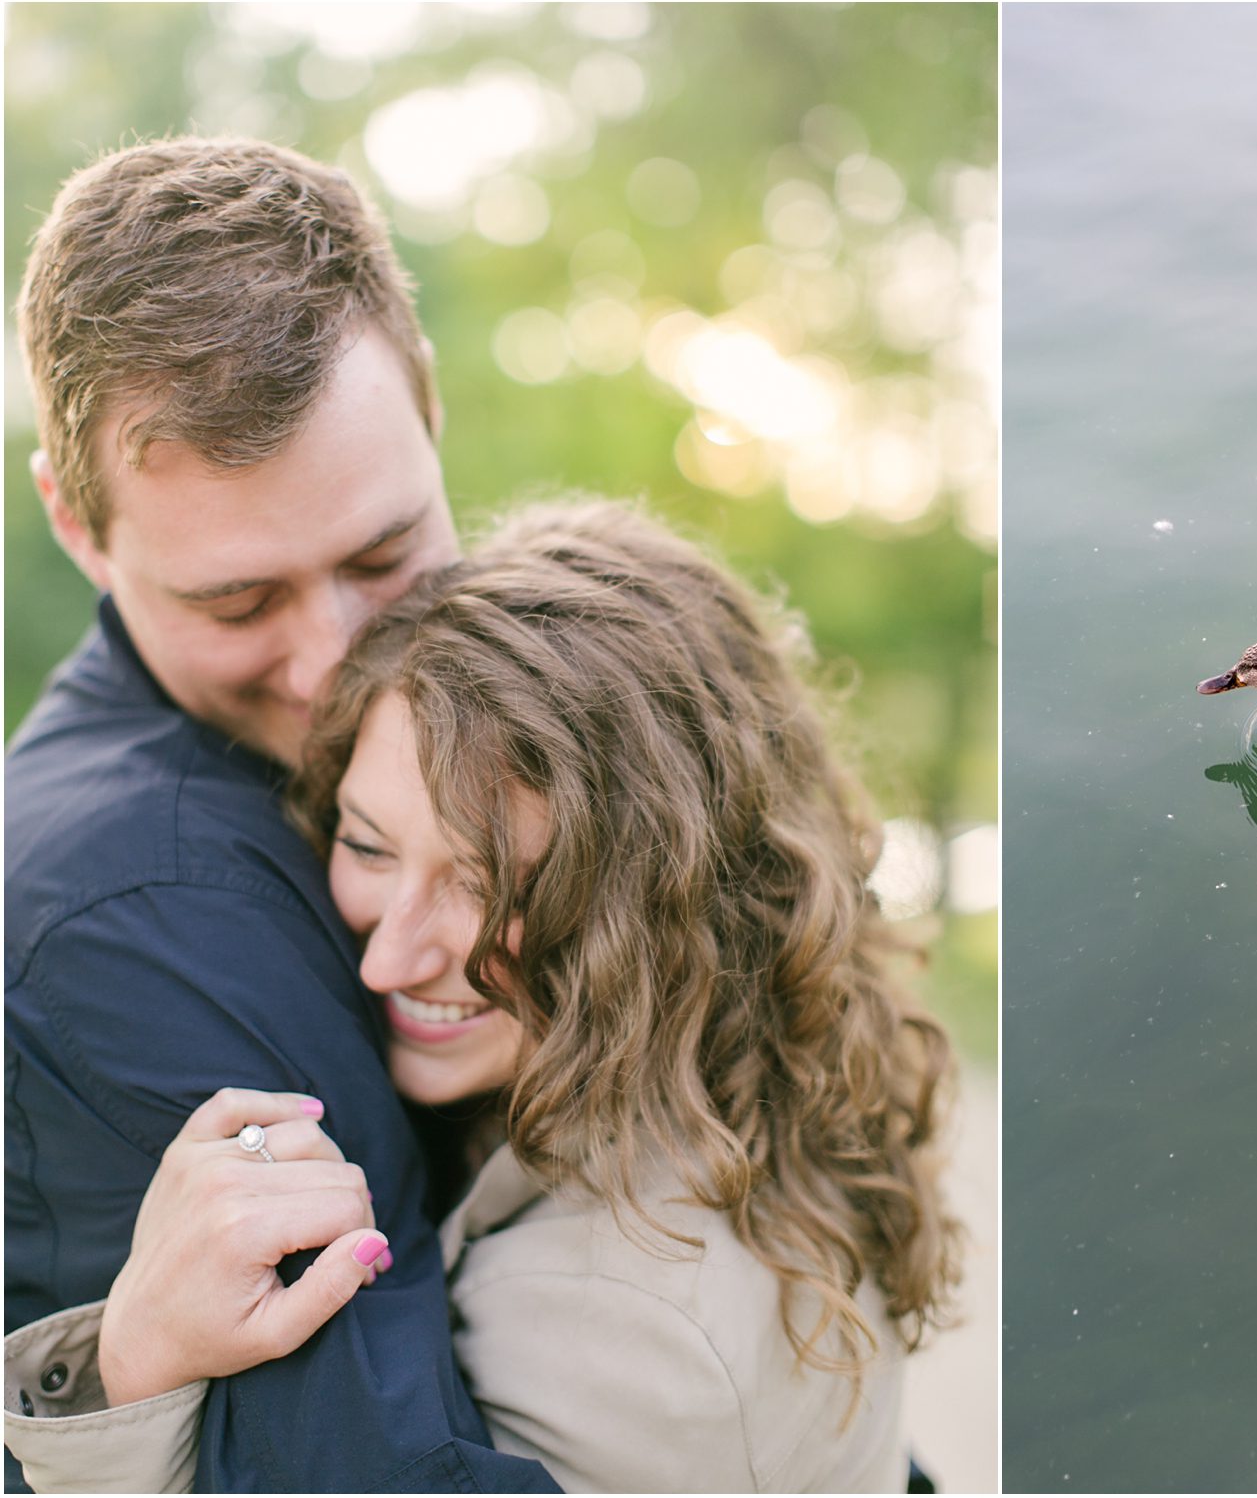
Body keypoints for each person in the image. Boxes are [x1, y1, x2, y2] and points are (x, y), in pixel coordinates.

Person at [5, 502, 960, 1492]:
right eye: (369, 844)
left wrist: (138, 1373)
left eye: (490, 885)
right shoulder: (735, 1089)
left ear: (666, 901)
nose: (388, 962)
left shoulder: (624, 1316)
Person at [3, 137, 555, 1490]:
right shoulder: (151, 911)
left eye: (383, 555)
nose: (330, 669)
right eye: (236, 603)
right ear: (77, 527)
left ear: (432, 423)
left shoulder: (516, 717)